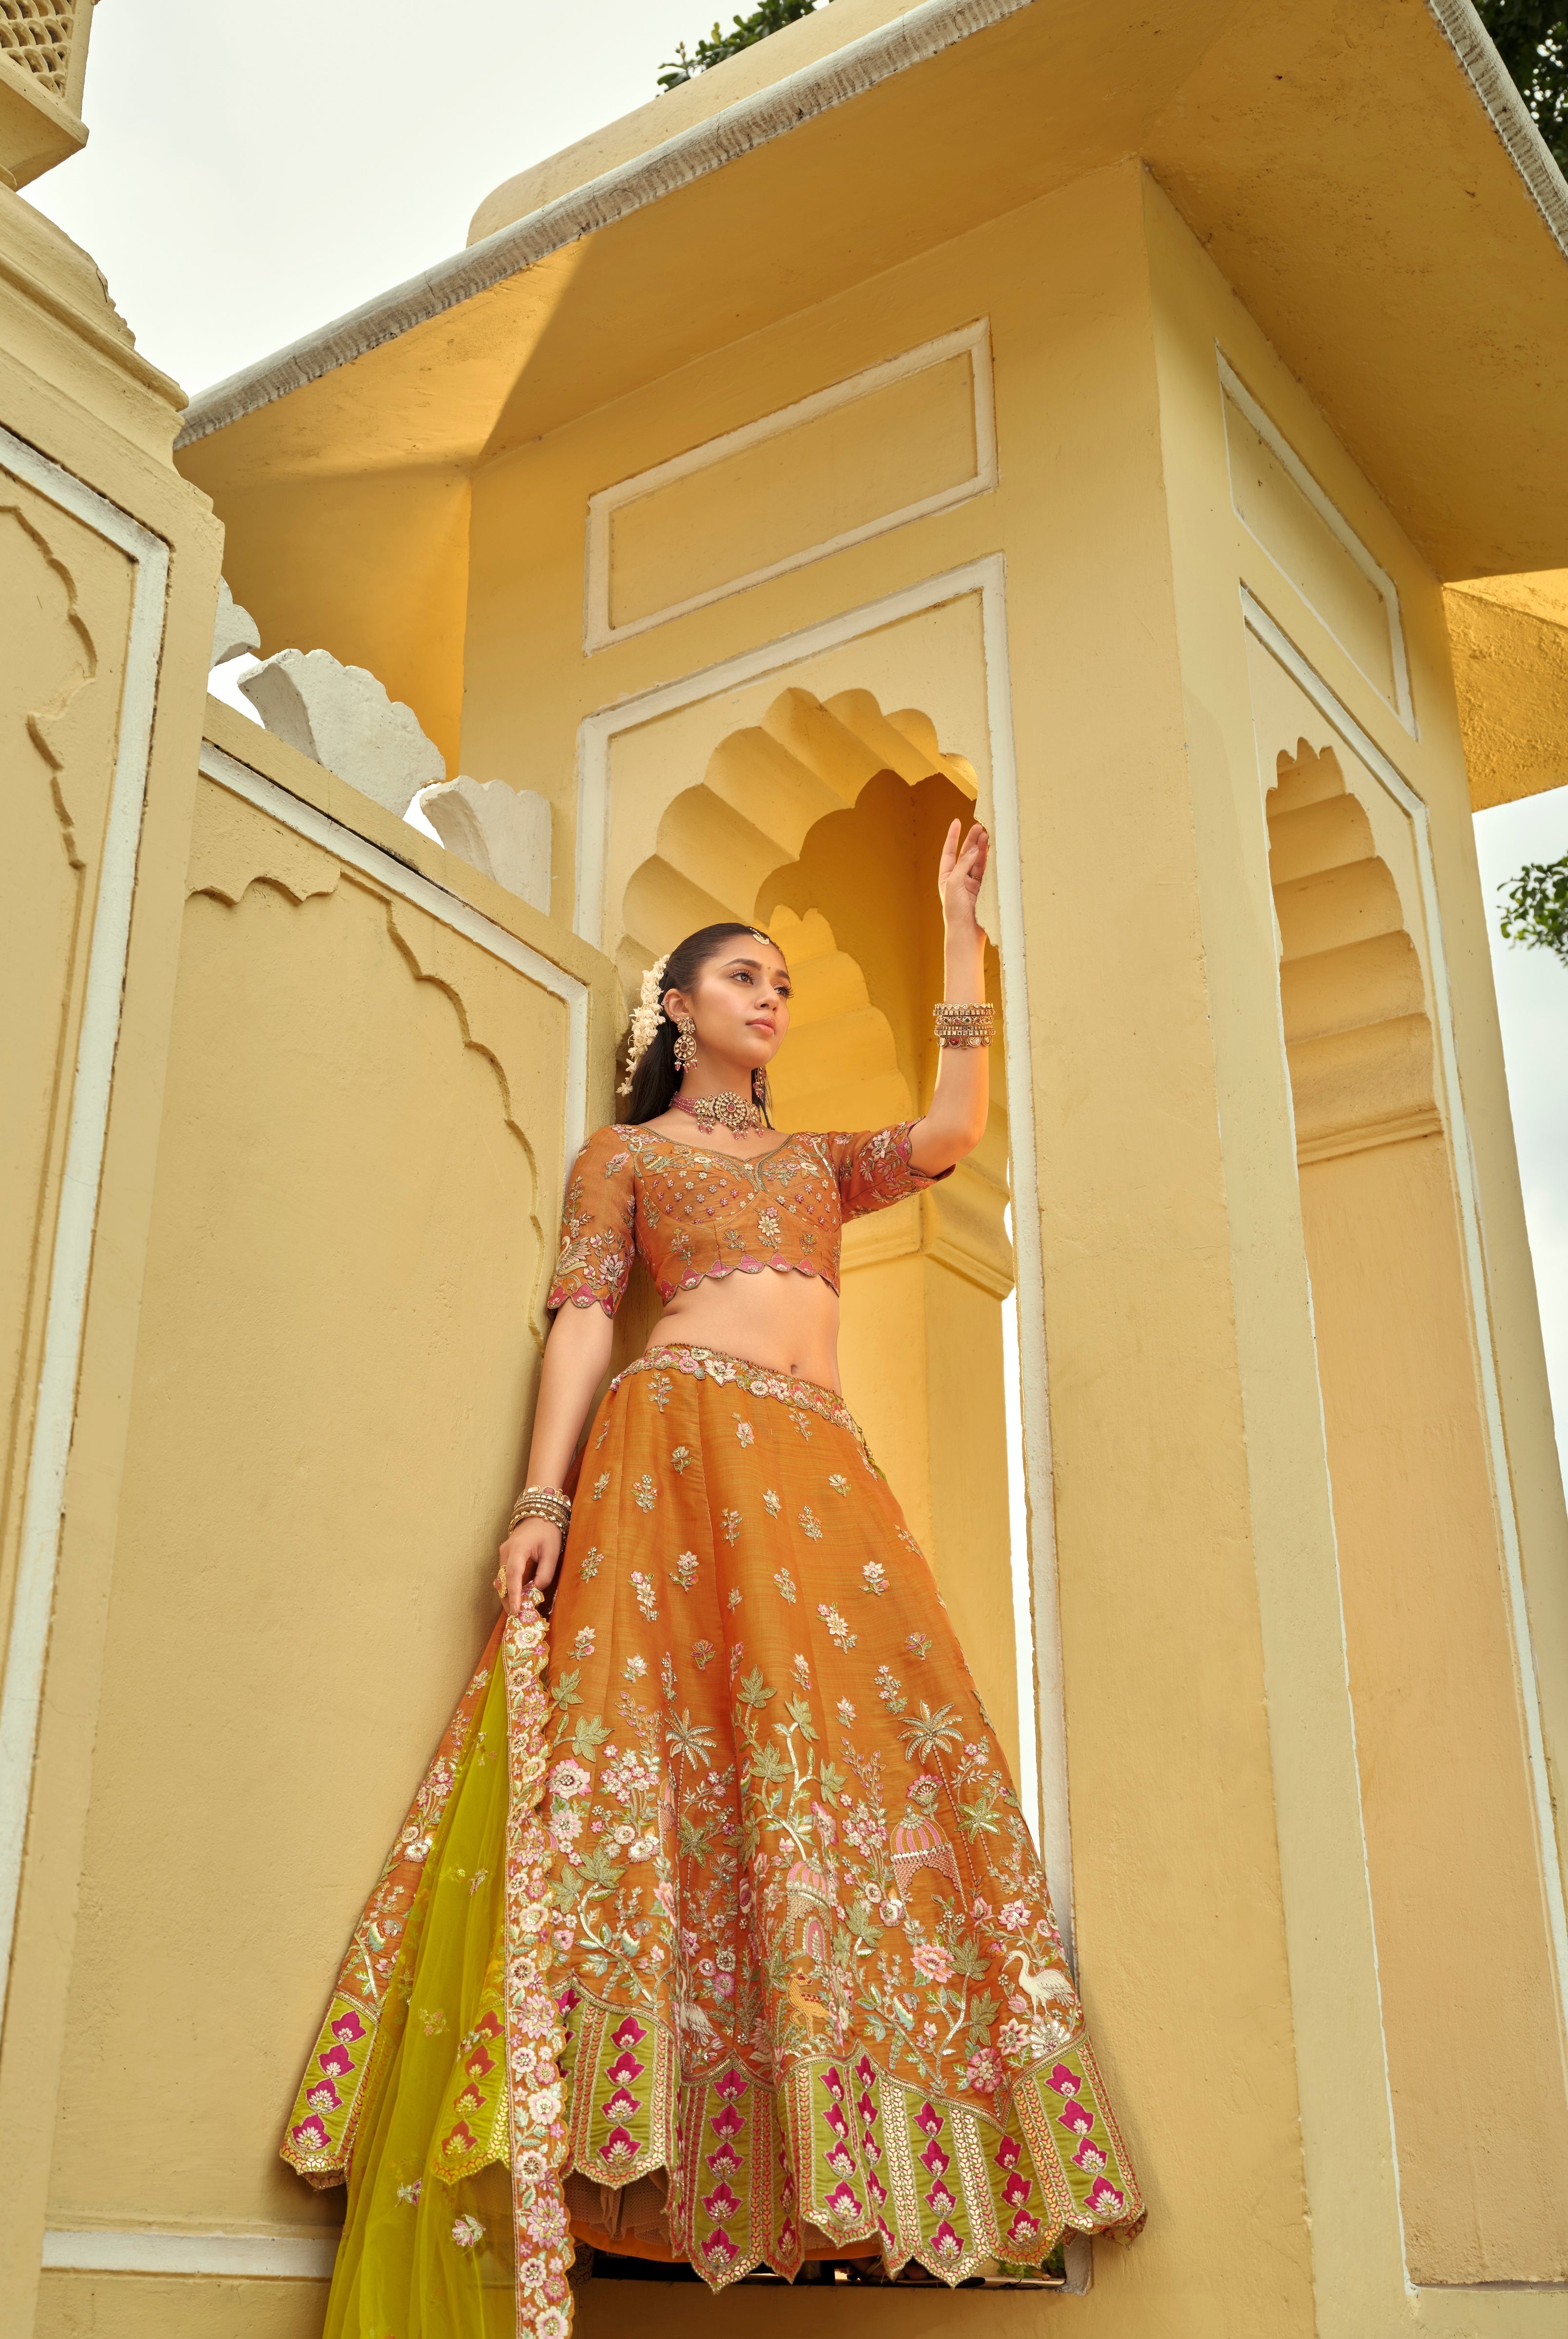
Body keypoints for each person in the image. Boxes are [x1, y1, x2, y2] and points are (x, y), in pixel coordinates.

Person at [282, 816, 1143, 2336]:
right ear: (675, 1008)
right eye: (745, 975)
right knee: (661, 1755)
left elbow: (945, 1133)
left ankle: (840, 2133)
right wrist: (541, 1493)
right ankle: (607, 2131)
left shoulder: (817, 1162)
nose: (773, 997)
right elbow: (581, 1317)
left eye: (787, 983)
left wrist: (957, 933)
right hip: (676, 1452)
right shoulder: (623, 1156)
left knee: (846, 1760)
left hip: (816, 1469)